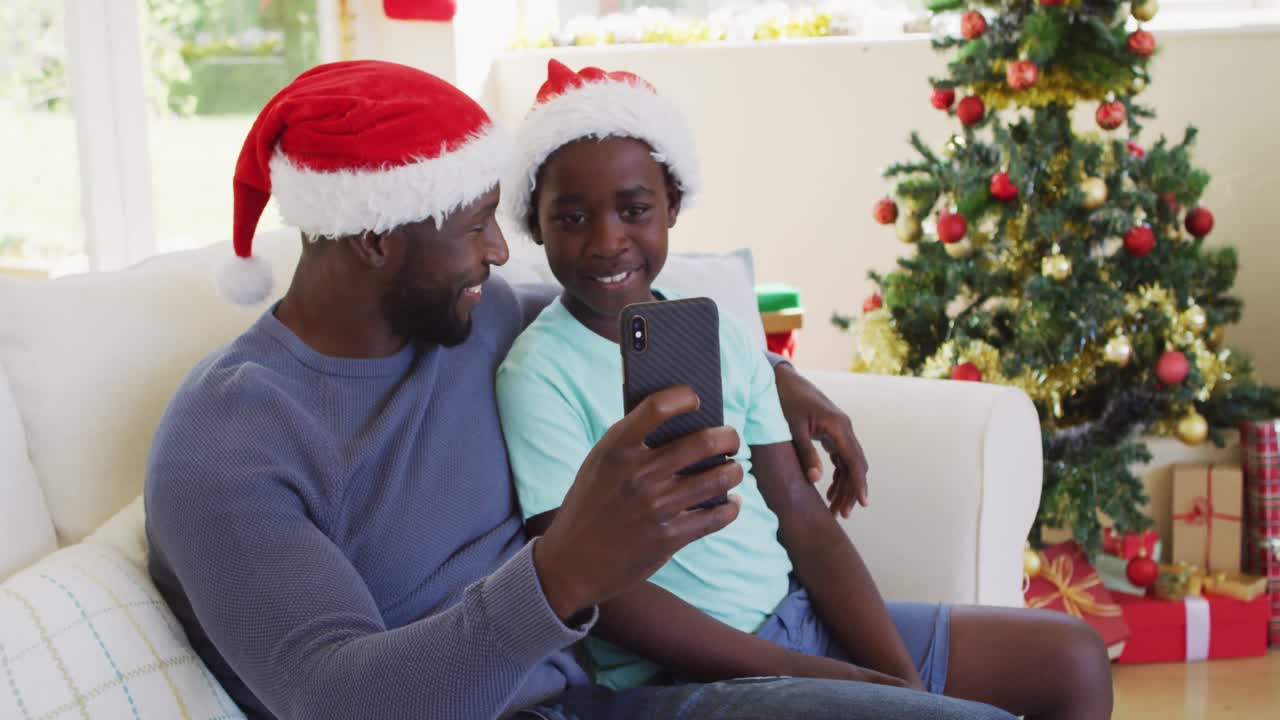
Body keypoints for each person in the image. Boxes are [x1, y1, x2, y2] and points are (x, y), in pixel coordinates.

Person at [144, 59, 1016, 720]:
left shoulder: (471, 316)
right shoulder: (227, 445)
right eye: (475, 226)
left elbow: (619, 309)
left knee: (1048, 672)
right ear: (373, 238)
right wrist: (563, 572)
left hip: (608, 688)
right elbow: (333, 700)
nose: (497, 250)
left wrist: (780, 375)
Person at [495, 59, 1114, 720]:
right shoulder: (538, 373)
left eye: (634, 210)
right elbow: (598, 591)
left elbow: (800, 512)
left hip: (794, 620)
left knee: (1073, 658)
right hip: (676, 677)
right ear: (535, 225)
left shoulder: (724, 337)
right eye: (571, 218)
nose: (606, 241)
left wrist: (897, 679)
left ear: (672, 205)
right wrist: (815, 673)